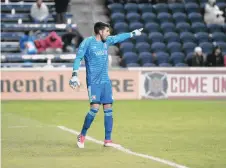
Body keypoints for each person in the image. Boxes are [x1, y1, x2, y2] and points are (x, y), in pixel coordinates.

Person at [69, 22, 143, 148]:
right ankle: (82, 135)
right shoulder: (87, 42)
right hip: (94, 82)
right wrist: (74, 74)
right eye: (107, 31)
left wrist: (132, 33)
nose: (109, 33)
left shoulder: (106, 41)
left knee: (108, 109)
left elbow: (119, 37)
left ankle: (108, 140)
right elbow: (78, 58)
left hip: (105, 82)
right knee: (94, 109)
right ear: (100, 31)